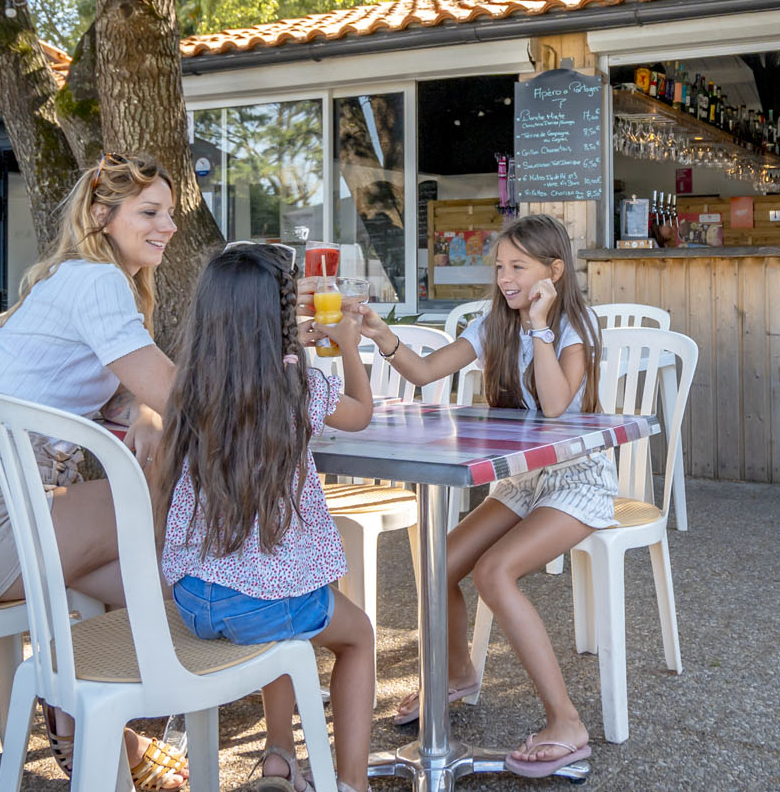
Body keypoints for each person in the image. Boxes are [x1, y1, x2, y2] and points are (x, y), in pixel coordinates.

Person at [0, 151, 188, 789]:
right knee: (190, 521)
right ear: (102, 214)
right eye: (150, 212)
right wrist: (278, 399)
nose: (168, 226)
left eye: (170, 213)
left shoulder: (75, 280)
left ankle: (95, 722)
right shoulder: (98, 280)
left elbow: (132, 392)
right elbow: (181, 394)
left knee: (166, 581)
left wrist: (143, 410)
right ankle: (105, 712)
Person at [357, 214, 609, 778]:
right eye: (499, 267)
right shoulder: (491, 324)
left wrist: (540, 325)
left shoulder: (574, 326)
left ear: (554, 271)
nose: (505, 278)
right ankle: (457, 676)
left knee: (495, 572)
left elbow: (555, 406)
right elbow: (424, 372)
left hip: (579, 479)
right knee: (441, 562)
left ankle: (566, 722)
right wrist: (381, 335)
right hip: (523, 479)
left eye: (518, 266)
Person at [155, 242, 376, 792]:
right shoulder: (297, 387)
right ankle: (351, 782)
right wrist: (348, 347)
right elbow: (360, 414)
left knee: (281, 607)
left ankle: (279, 758)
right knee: (357, 637)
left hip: (193, 597)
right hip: (261, 603)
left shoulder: (190, 386)